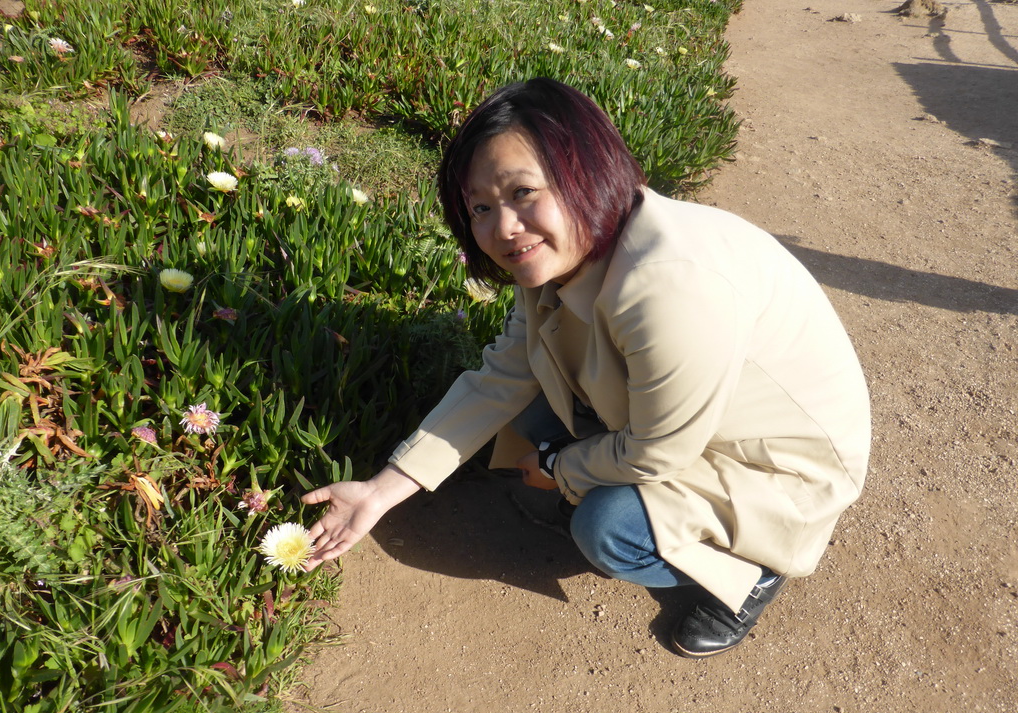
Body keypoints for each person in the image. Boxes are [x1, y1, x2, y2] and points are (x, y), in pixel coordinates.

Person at [302, 78, 870, 658]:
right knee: (529, 399)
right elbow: (502, 374)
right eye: (480, 207)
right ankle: (605, 478)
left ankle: (751, 574)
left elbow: (658, 452)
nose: (502, 229)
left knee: (606, 528)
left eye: (523, 192)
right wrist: (380, 491)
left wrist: (559, 466)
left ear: (584, 169)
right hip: (692, 422)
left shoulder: (668, 286)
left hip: (776, 465)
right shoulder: (573, 249)